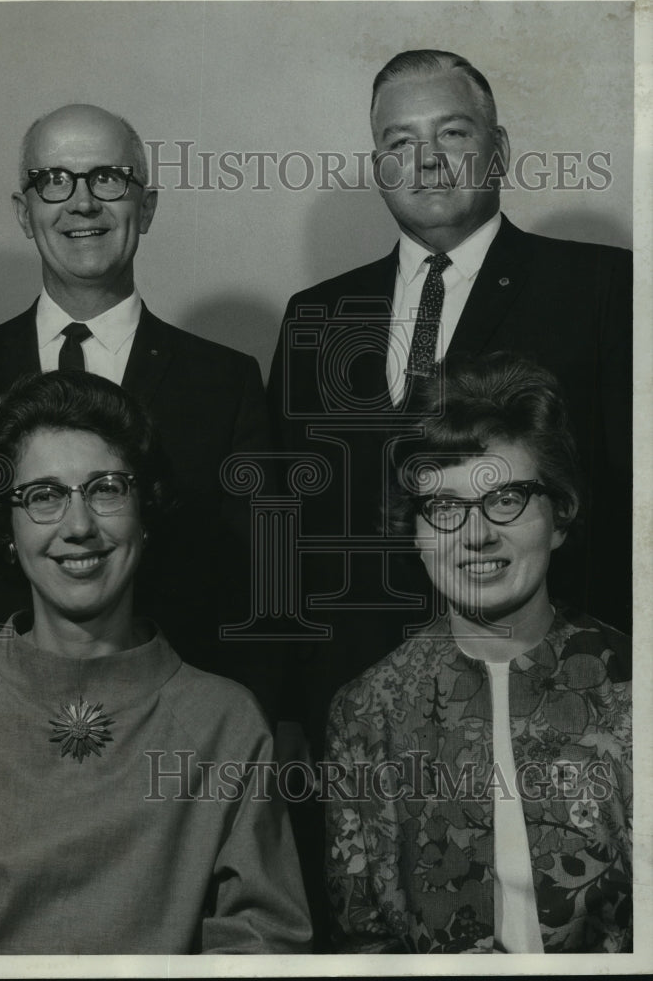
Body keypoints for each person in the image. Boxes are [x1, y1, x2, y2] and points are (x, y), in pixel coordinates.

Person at [267, 49, 632, 751]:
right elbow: (284, 524)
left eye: (452, 134)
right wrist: (289, 700)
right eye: (399, 142)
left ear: (497, 150)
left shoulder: (601, 288)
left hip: (558, 695)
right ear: (379, 168)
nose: (426, 159)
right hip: (358, 704)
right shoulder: (316, 315)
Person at [0, 370, 312, 955]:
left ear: (145, 512)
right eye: (43, 496)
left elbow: (263, 948)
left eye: (106, 488)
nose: (79, 526)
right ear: (8, 527)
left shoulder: (226, 724)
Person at [0, 104, 274, 716]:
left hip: (171, 724)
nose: (82, 203)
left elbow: (255, 584)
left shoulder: (226, 381)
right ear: (25, 212)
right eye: (54, 180)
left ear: (145, 206)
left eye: (109, 178)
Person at [325, 353, 632, 954]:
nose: (476, 535)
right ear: (413, 532)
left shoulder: (636, 685)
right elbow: (362, 939)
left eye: (508, 498)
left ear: (560, 514)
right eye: (443, 509)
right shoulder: (365, 712)